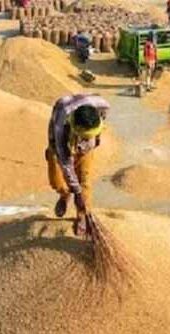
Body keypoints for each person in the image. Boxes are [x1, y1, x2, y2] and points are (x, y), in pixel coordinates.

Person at [46, 94, 110, 236]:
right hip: (60, 144)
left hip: (84, 144)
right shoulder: (60, 128)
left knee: (85, 180)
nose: (86, 140)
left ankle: (82, 214)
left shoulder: (101, 104)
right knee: (56, 180)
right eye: (84, 137)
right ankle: (64, 195)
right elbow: (66, 164)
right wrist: (77, 192)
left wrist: (96, 137)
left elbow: (105, 113)